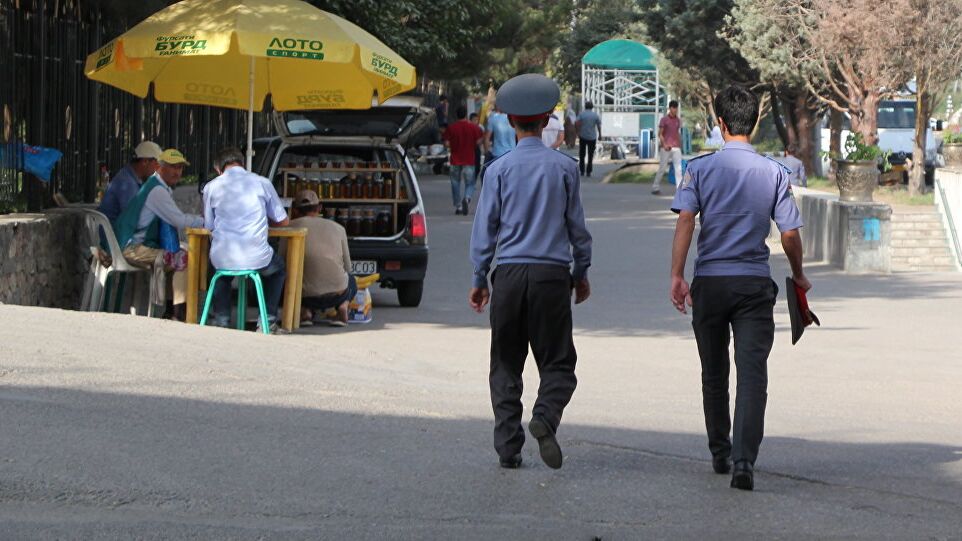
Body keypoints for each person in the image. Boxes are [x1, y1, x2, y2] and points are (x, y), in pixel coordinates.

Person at [669, 86, 810, 491]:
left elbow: (685, 222)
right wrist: (798, 273)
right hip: (752, 285)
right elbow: (788, 234)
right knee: (752, 375)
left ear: (720, 123)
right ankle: (744, 462)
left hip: (710, 284)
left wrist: (677, 275)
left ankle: (720, 451)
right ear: (756, 122)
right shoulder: (774, 172)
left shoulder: (699, 169)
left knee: (713, 373)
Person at [470, 73, 593, 471]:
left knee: (505, 362)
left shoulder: (498, 170)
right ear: (546, 120)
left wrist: (479, 278)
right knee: (558, 361)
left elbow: (485, 230)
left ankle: (509, 447)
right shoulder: (564, 168)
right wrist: (582, 271)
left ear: (508, 121)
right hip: (552, 277)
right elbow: (577, 228)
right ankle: (545, 415)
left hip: (507, 276)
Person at [202, 147, 290, 333]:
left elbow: (209, 226)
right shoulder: (262, 183)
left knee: (218, 271)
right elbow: (283, 221)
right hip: (257, 257)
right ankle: (268, 321)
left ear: (219, 169)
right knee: (278, 270)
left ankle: (221, 320)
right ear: (243, 164)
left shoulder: (211, 187)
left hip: (223, 257)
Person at [112, 148, 204, 319]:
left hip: (132, 244)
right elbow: (179, 220)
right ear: (160, 168)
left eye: (180, 168)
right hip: (132, 248)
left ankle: (172, 311)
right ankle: (178, 312)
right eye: (173, 167)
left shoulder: (157, 186)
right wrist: (206, 222)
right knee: (184, 259)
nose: (177, 172)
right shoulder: (157, 191)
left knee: (179, 255)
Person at [289, 190, 355, 327]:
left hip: (304, 296)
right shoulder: (339, 228)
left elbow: (284, 261)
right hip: (338, 294)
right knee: (351, 279)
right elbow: (348, 267)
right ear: (319, 208)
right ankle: (343, 305)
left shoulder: (290, 227)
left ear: (294, 209)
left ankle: (305, 311)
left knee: (289, 277)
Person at [98, 141, 162, 222]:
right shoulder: (127, 184)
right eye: (157, 164)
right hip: (114, 233)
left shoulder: (130, 177)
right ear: (145, 162)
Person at [444, 105, 485, 215]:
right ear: (466, 115)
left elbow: (447, 143)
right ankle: (467, 198)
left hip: (455, 159)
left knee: (455, 182)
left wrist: (453, 146)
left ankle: (458, 206)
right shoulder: (473, 127)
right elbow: (479, 140)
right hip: (469, 159)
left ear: (456, 115)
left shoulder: (452, 128)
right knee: (470, 183)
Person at [653, 100, 683, 195]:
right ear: (670, 108)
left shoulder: (678, 120)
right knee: (662, 168)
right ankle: (655, 187)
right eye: (673, 108)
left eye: (676, 108)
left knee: (678, 168)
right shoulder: (664, 120)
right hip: (666, 148)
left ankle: (679, 189)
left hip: (676, 147)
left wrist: (680, 144)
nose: (675, 110)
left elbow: (677, 133)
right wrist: (664, 144)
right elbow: (660, 134)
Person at [575, 101, 601, 177]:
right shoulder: (595, 115)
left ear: (585, 106)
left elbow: (576, 122)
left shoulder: (582, 114)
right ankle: (589, 171)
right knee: (590, 155)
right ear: (592, 107)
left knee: (582, 154)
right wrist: (600, 135)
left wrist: (577, 132)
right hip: (592, 137)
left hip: (583, 136)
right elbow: (599, 125)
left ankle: (582, 171)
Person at [470, 112, 483, 183]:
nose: (476, 121)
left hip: (477, 149)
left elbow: (482, 138)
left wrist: (480, 141)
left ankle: (473, 180)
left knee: (477, 167)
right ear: (470, 120)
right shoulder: (468, 128)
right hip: (469, 149)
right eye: (474, 120)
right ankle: (471, 181)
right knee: (471, 166)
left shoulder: (479, 129)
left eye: (477, 120)